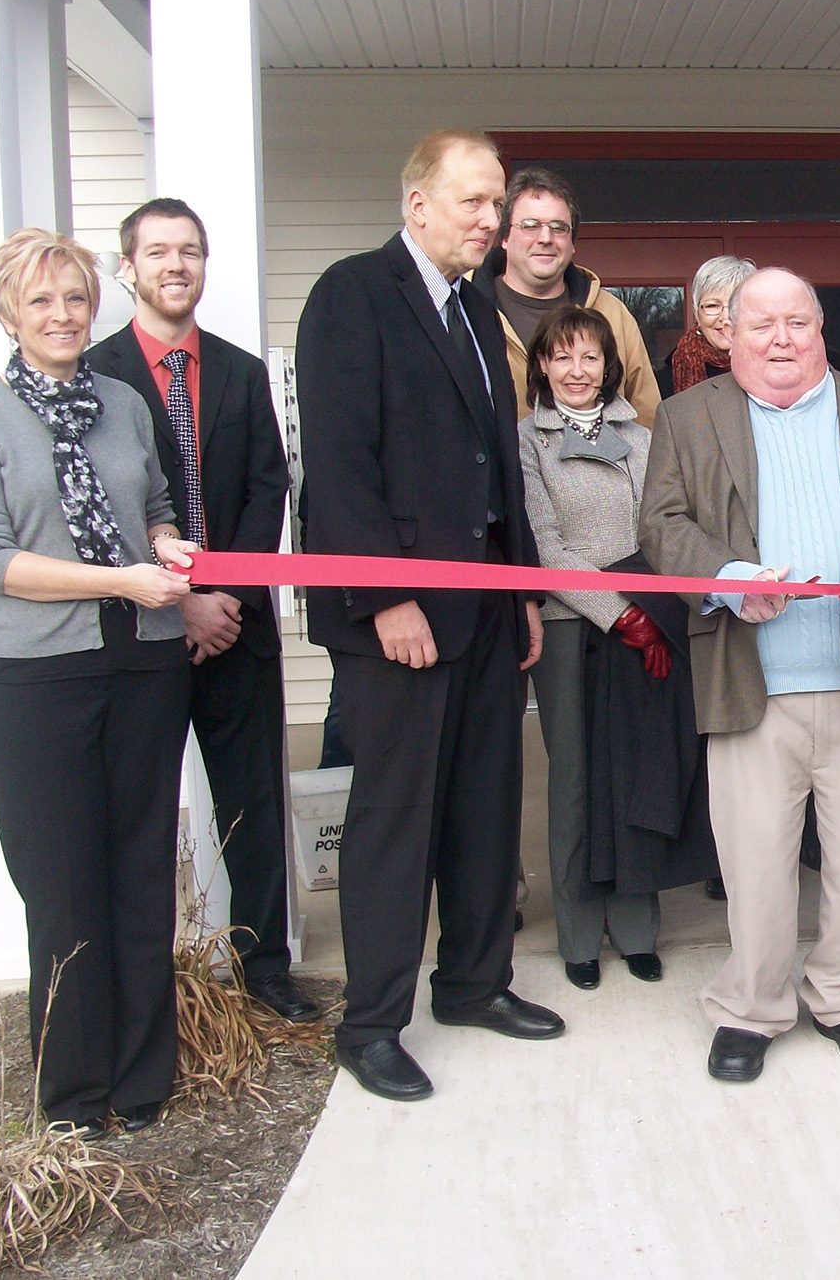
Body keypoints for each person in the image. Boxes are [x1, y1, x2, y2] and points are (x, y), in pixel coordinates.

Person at [295, 128, 564, 1103]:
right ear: (418, 205)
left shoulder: (475, 305)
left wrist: (524, 589)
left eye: (497, 204)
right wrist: (386, 596)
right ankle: (370, 1025)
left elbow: (499, 469)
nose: (491, 222)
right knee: (396, 822)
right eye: (474, 203)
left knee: (485, 809)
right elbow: (338, 461)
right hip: (396, 620)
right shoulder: (352, 295)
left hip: (487, 615)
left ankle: (474, 983)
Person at [638, 266, 840, 1083]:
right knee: (754, 862)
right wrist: (730, 577)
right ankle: (753, 1005)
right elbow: (661, 524)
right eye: (760, 324)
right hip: (749, 678)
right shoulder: (685, 417)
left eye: (797, 323)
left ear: (822, 330)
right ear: (725, 337)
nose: (780, 339)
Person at [0, 229, 197, 1133]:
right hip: (35, 679)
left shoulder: (126, 404)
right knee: (61, 885)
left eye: (76, 299)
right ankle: (74, 1095)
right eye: (41, 300)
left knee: (138, 876)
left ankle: (140, 1080)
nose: (62, 315)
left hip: (143, 666)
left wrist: (163, 547)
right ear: (8, 313)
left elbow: (159, 509)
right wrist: (122, 578)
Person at [86, 199, 316, 1024]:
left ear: (204, 264)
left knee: (252, 805)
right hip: (144, 633)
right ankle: (146, 983)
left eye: (189, 250)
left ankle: (265, 973)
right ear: (129, 268)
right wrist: (179, 601)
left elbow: (267, 486)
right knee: (139, 814)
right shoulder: (95, 373)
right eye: (157, 252)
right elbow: (100, 511)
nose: (174, 265)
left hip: (238, 628)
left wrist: (226, 597)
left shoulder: (237, 369)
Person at [521, 302, 715, 989]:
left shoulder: (645, 436)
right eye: (563, 356)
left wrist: (648, 613)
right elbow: (546, 543)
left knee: (639, 771)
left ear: (611, 366)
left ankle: (636, 928)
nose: (577, 370)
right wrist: (615, 613)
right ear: (543, 364)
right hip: (575, 628)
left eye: (590, 357)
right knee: (573, 780)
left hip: (650, 621)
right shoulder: (527, 441)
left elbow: (666, 525)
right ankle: (577, 934)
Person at [475, 164, 660, 426]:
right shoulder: (466, 309)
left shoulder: (612, 314)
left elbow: (648, 417)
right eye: (530, 225)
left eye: (559, 227)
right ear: (504, 237)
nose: (545, 238)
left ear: (573, 243)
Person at [667, 254, 754, 396]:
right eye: (713, 305)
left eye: (735, 305)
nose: (726, 317)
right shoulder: (667, 377)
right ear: (697, 313)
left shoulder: (776, 366)